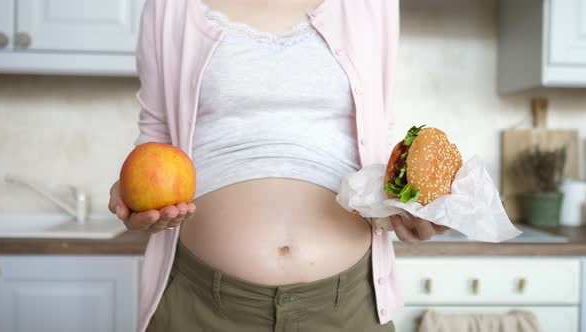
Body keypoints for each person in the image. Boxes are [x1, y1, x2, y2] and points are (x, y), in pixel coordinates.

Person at [108, 0, 448, 331]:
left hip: (347, 308)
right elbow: (156, 134)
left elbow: (379, 131)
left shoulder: (373, 4)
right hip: (200, 305)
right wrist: (135, 194)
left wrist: (406, 205)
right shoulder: (170, 7)